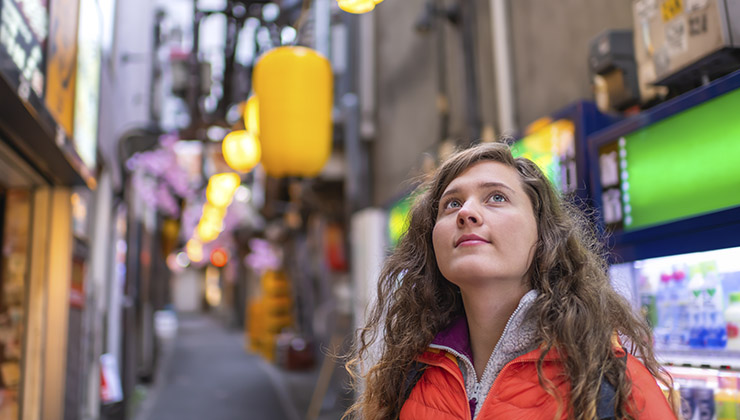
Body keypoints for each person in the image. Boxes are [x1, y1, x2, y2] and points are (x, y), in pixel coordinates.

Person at [345, 142, 677, 420]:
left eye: (496, 197)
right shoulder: (407, 375)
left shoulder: (610, 381)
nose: (466, 213)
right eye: (452, 204)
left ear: (543, 234)